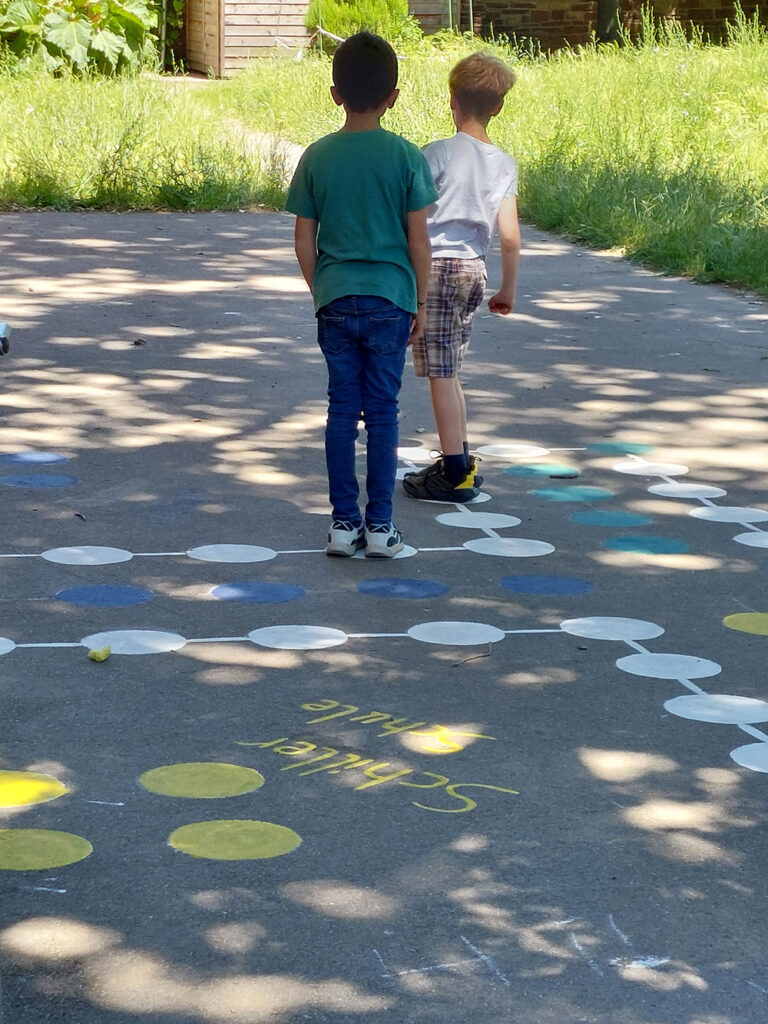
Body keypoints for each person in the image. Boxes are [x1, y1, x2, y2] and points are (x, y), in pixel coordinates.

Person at [285, 31, 436, 557]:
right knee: (384, 411)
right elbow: (420, 241)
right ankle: (381, 528)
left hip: (336, 298)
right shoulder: (405, 157)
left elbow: (304, 240)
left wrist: (321, 286)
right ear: (394, 95)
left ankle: (343, 524)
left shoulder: (317, 156)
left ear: (334, 93)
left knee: (341, 410)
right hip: (392, 299)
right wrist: (417, 299)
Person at [403, 52, 521, 503]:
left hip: (436, 268)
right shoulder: (504, 164)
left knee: (440, 372)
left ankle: (453, 471)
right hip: (474, 269)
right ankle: (461, 456)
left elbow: (411, 215)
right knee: (449, 369)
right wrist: (507, 288)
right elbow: (509, 236)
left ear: (452, 101)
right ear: (499, 107)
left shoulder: (435, 154)